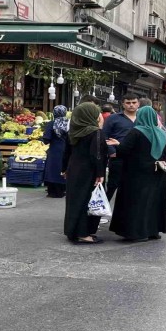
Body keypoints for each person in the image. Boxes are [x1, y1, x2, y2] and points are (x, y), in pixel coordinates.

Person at [107, 106, 166, 241]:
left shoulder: (136, 132)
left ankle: (137, 233)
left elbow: (123, 150)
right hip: (157, 174)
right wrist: (162, 162)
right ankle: (153, 231)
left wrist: (118, 144)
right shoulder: (163, 133)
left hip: (135, 174)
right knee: (153, 202)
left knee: (136, 203)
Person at [62, 102, 108, 244]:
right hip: (89, 171)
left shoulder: (73, 131)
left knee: (74, 201)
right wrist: (100, 173)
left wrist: (64, 169)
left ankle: (72, 231)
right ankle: (83, 233)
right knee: (87, 201)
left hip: (74, 169)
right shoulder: (95, 132)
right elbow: (97, 155)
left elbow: (66, 152)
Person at [102, 93, 139, 201]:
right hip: (118, 157)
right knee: (112, 185)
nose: (131, 105)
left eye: (133, 102)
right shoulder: (113, 118)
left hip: (137, 158)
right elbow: (104, 136)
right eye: (128, 103)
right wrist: (112, 152)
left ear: (138, 104)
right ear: (123, 104)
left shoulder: (142, 119)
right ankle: (103, 212)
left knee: (134, 187)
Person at [42, 105, 69, 198]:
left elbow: (46, 139)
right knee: (64, 168)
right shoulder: (69, 123)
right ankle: (63, 190)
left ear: (54, 113)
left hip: (54, 150)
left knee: (53, 169)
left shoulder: (51, 124)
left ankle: (53, 192)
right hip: (67, 150)